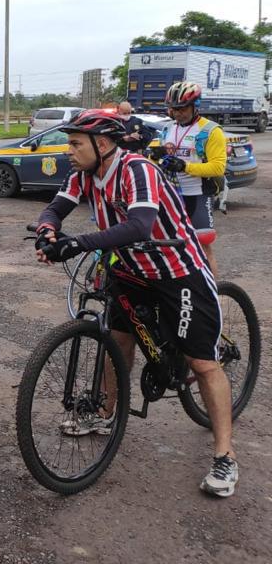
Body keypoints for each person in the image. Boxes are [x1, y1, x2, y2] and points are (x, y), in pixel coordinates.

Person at [34, 109, 238, 497]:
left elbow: (140, 225)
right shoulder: (83, 174)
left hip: (177, 271)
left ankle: (225, 455)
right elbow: (56, 207)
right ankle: (108, 413)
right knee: (117, 342)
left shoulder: (137, 170)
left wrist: (76, 243)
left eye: (76, 143)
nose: (69, 150)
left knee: (202, 362)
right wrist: (48, 231)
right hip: (129, 270)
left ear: (103, 144)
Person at [156, 82, 226, 276]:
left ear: (196, 105)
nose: (177, 113)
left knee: (203, 246)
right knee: (168, 244)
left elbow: (219, 167)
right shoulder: (168, 129)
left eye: (182, 108)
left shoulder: (211, 131)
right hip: (171, 195)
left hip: (198, 194)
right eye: (173, 109)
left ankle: (212, 296)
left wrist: (185, 166)